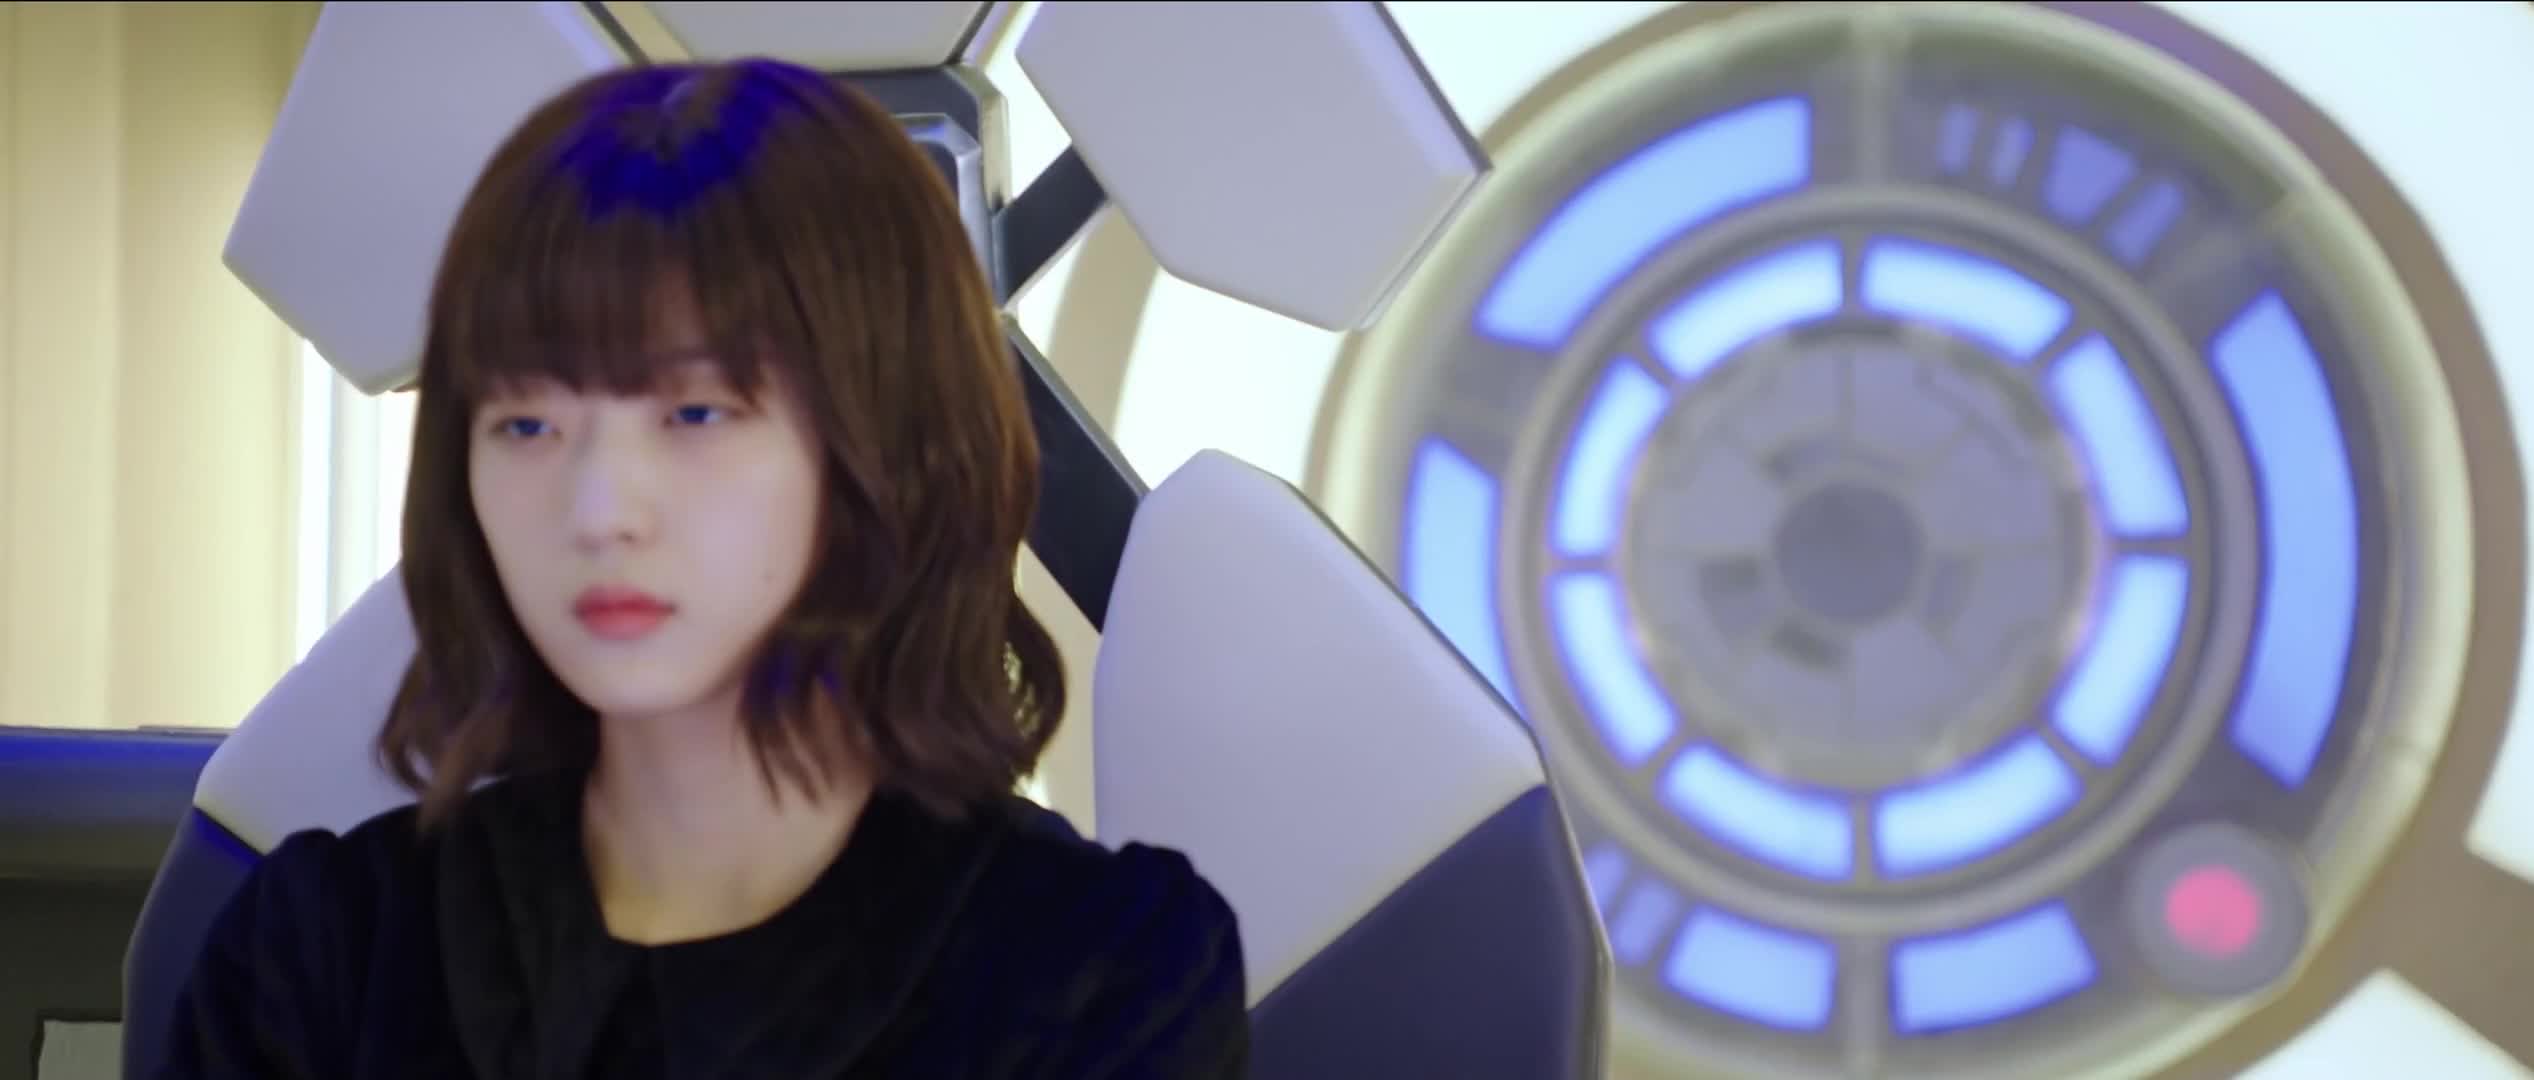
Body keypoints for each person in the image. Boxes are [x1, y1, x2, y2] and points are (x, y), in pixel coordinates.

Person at [158, 57, 1248, 1078]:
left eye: (694, 413)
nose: (598, 511)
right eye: (526, 425)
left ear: (886, 441)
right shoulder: (321, 951)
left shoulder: (1100, 969)